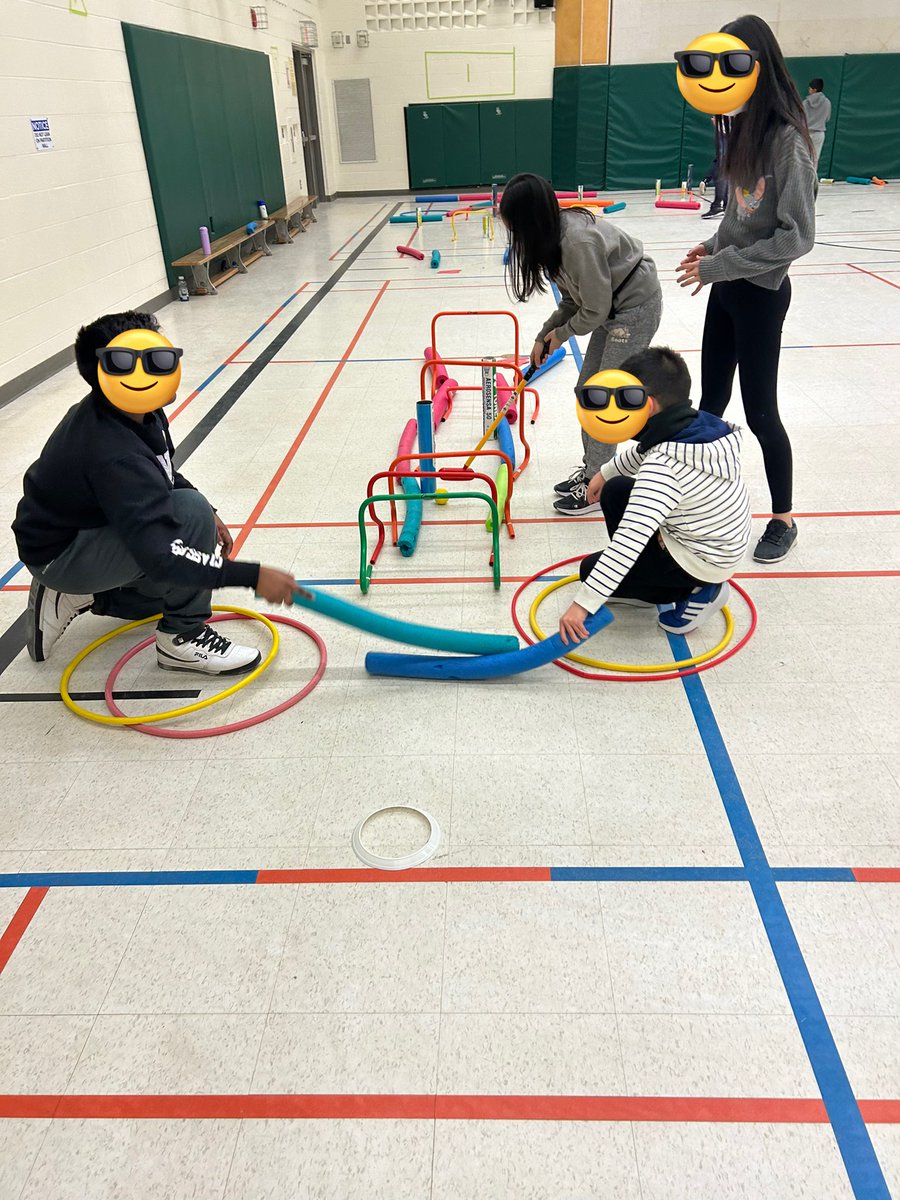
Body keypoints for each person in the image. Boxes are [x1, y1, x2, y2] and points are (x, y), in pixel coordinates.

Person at [13, 311, 298, 672]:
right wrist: (253, 576)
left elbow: (159, 469)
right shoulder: (112, 451)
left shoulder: (133, 406)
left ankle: (79, 594)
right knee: (187, 524)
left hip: (78, 532)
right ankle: (181, 639)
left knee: (176, 575)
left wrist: (208, 508)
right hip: (62, 551)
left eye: (162, 357)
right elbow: (164, 556)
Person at [676, 14, 817, 562]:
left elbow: (797, 237)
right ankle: (696, 496)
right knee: (710, 399)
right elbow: (740, 214)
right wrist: (713, 248)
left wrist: (724, 264)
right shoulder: (740, 131)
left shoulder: (788, 141)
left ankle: (783, 519)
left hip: (761, 294)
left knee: (760, 412)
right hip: (729, 286)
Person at [558, 347, 751, 645]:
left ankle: (699, 592)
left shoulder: (663, 468)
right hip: (716, 543)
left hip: (699, 563)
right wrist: (604, 473)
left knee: (589, 571)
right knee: (617, 489)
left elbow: (629, 540)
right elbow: (644, 449)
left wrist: (581, 606)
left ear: (645, 406)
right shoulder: (699, 425)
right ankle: (645, 581)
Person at [499, 172, 663, 516]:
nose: (511, 232)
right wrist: (543, 336)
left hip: (633, 310)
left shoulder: (577, 243)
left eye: (513, 224)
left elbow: (594, 309)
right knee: (587, 390)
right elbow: (575, 302)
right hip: (612, 309)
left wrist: (559, 337)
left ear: (529, 219)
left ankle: (598, 486)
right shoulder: (551, 239)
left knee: (605, 403)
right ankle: (595, 470)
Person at [704, 116, 732, 219]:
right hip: (728, 127)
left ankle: (719, 204)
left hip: (727, 127)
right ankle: (725, 205)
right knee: (725, 166)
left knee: (722, 167)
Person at [803, 79, 831, 171]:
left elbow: (801, 118)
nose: (809, 90)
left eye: (810, 88)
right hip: (819, 133)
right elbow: (827, 118)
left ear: (814, 89)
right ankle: (812, 181)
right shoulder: (827, 102)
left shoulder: (805, 103)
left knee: (803, 158)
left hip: (806, 133)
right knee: (814, 159)